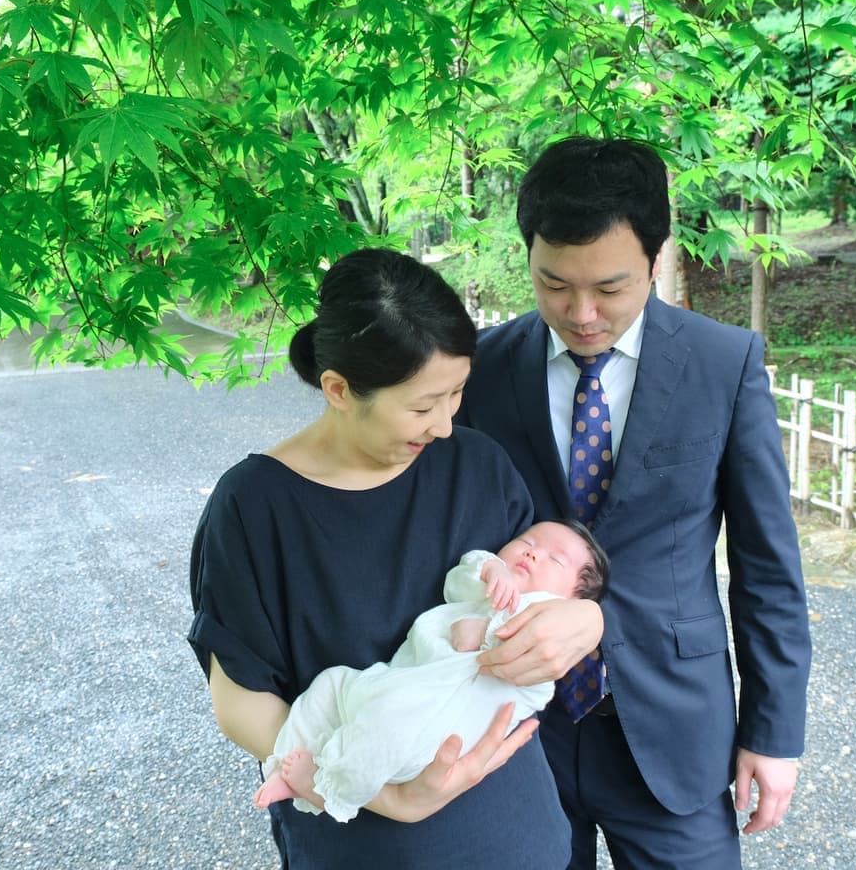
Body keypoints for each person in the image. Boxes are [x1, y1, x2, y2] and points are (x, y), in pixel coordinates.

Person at [456, 136, 813, 870]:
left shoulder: (723, 363)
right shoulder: (479, 372)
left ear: (657, 261)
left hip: (671, 727)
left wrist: (774, 733)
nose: (581, 312)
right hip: (510, 724)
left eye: (610, 288)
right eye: (554, 284)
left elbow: (767, 566)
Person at [188, 248, 573, 869]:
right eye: (422, 407)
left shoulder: (477, 465)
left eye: (457, 395)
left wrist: (584, 623)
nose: (445, 425)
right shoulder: (255, 507)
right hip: (362, 837)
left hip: (515, 831)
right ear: (338, 389)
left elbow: (546, 586)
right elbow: (240, 701)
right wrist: (386, 796)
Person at [253, 520, 610, 822]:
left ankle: (327, 788)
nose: (532, 552)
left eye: (555, 560)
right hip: (384, 683)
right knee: (330, 685)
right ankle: (283, 765)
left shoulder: (546, 626)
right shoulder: (484, 592)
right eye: (526, 542)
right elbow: (459, 579)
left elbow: (534, 673)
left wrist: (486, 633)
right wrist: (491, 569)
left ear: (573, 603)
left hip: (421, 730)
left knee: (380, 733)